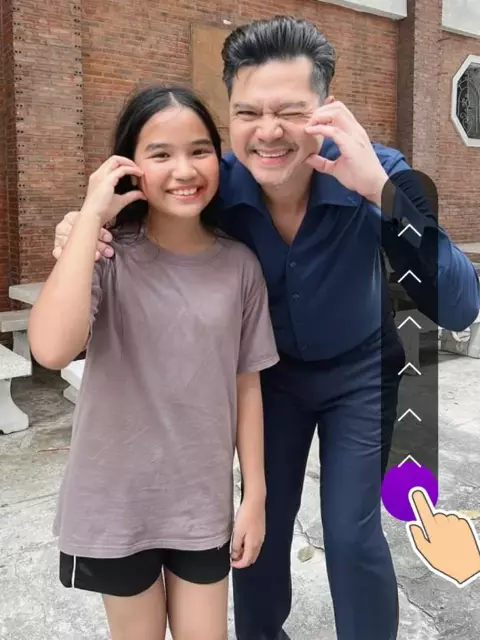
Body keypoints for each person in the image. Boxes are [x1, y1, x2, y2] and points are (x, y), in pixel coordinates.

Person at [52, 16, 480, 640]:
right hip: (269, 378)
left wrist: (382, 193)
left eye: (290, 111)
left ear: (325, 110)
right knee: (260, 528)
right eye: (249, 112)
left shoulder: (375, 169)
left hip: (360, 375)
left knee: (350, 530)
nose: (269, 131)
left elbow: (461, 305)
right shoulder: (218, 186)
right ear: (230, 113)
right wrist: (78, 230)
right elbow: (142, 215)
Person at [28, 85, 280, 640]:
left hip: (200, 504)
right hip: (116, 503)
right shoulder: (108, 255)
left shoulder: (240, 267)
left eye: (199, 150)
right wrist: (90, 218)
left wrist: (255, 495)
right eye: (160, 154)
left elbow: (247, 385)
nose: (183, 170)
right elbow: (50, 349)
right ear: (129, 166)